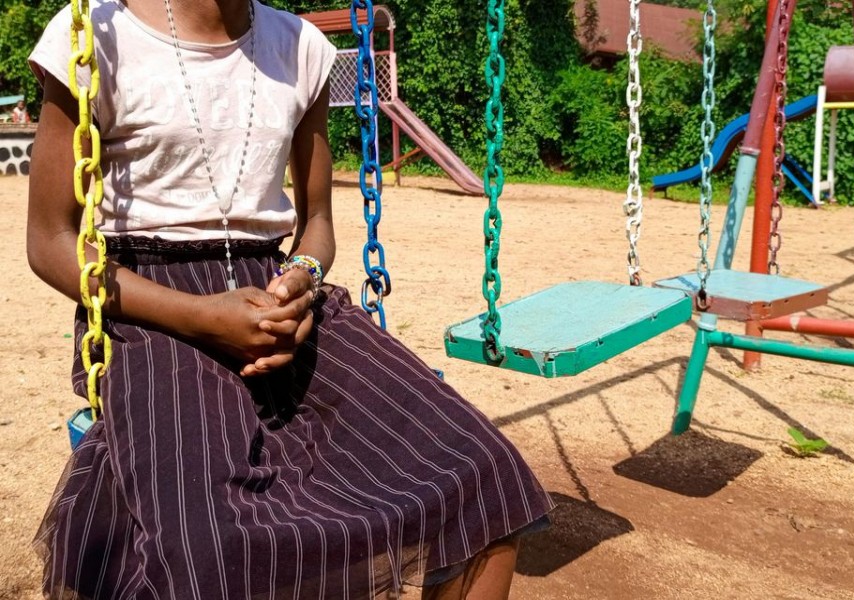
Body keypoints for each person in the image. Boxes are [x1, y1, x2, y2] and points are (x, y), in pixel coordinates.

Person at [26, 1, 553, 598]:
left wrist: (301, 278)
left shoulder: (298, 45)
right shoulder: (98, 33)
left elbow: (318, 220)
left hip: (278, 293)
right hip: (151, 302)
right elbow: (49, 241)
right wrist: (202, 316)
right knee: (209, 549)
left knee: (485, 471)